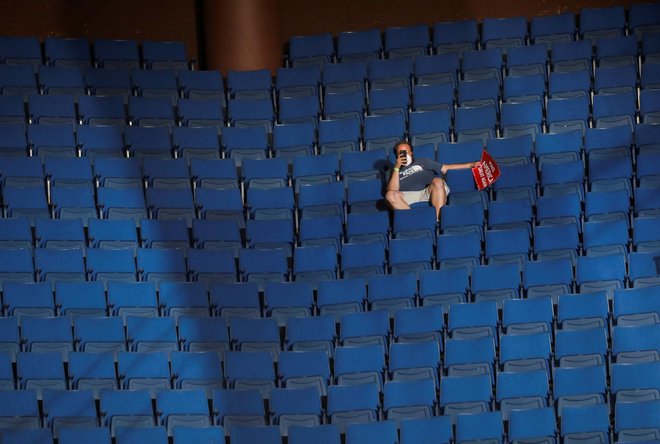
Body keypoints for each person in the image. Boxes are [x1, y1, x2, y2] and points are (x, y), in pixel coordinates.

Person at [385, 141, 479, 221]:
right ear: (396, 156)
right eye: (401, 153)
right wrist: (396, 168)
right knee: (389, 195)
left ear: (411, 153)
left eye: (407, 152)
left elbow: (446, 168)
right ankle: (414, 221)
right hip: (408, 196)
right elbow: (393, 190)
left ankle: (437, 221)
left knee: (438, 181)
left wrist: (471, 165)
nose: (405, 155)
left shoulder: (423, 161)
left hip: (428, 191)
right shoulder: (392, 172)